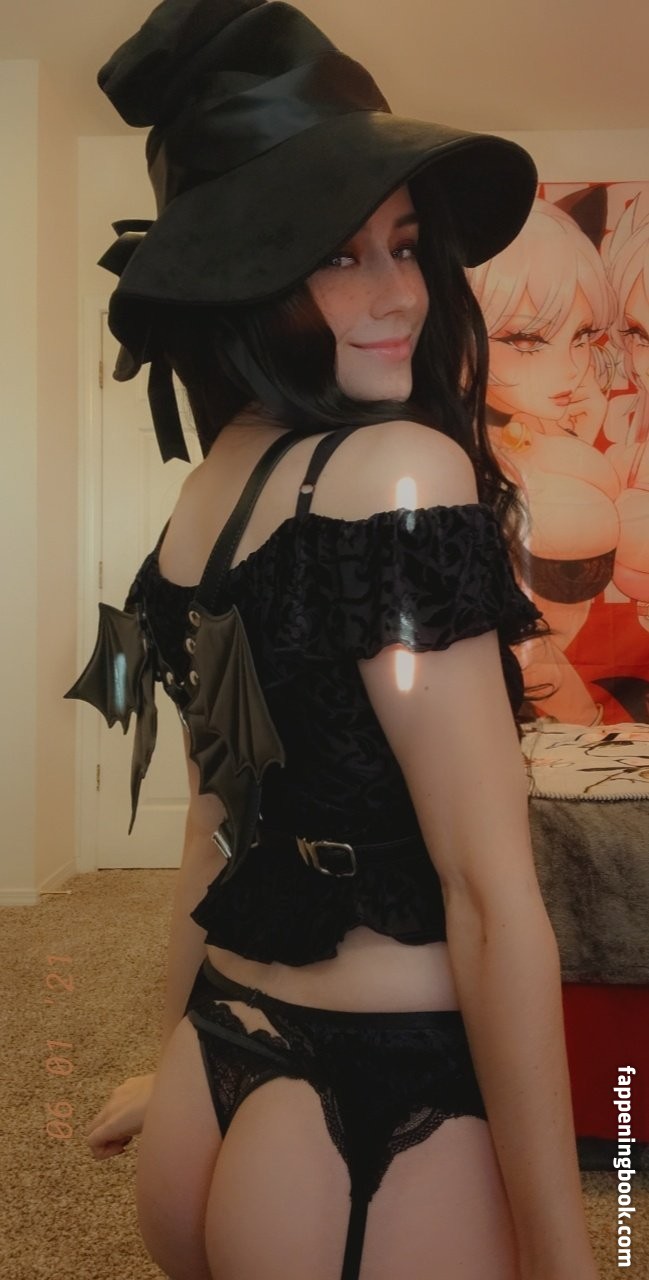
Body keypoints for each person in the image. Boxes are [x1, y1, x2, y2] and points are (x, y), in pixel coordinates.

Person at [68, 2, 601, 1277]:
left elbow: (216, 823)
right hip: (367, 1104)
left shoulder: (214, 482)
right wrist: (574, 1247)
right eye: (339, 255)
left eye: (405, 246)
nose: (400, 293)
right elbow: (490, 897)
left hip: (218, 1065)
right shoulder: (403, 472)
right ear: (249, 276)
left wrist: (174, 1055)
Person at [467, 197, 621, 725]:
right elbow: (525, 648)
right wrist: (585, 721)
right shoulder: (448, 461)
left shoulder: (537, 432)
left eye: (581, 336)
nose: (571, 369)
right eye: (527, 339)